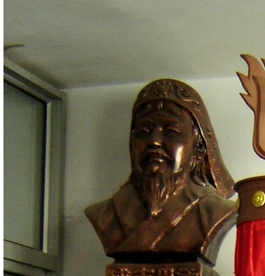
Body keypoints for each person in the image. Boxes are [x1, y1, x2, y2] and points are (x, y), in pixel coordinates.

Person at [85, 78, 237, 263]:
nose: (154, 141)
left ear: (198, 149)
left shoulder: (214, 211)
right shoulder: (105, 214)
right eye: (143, 132)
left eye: (171, 131)